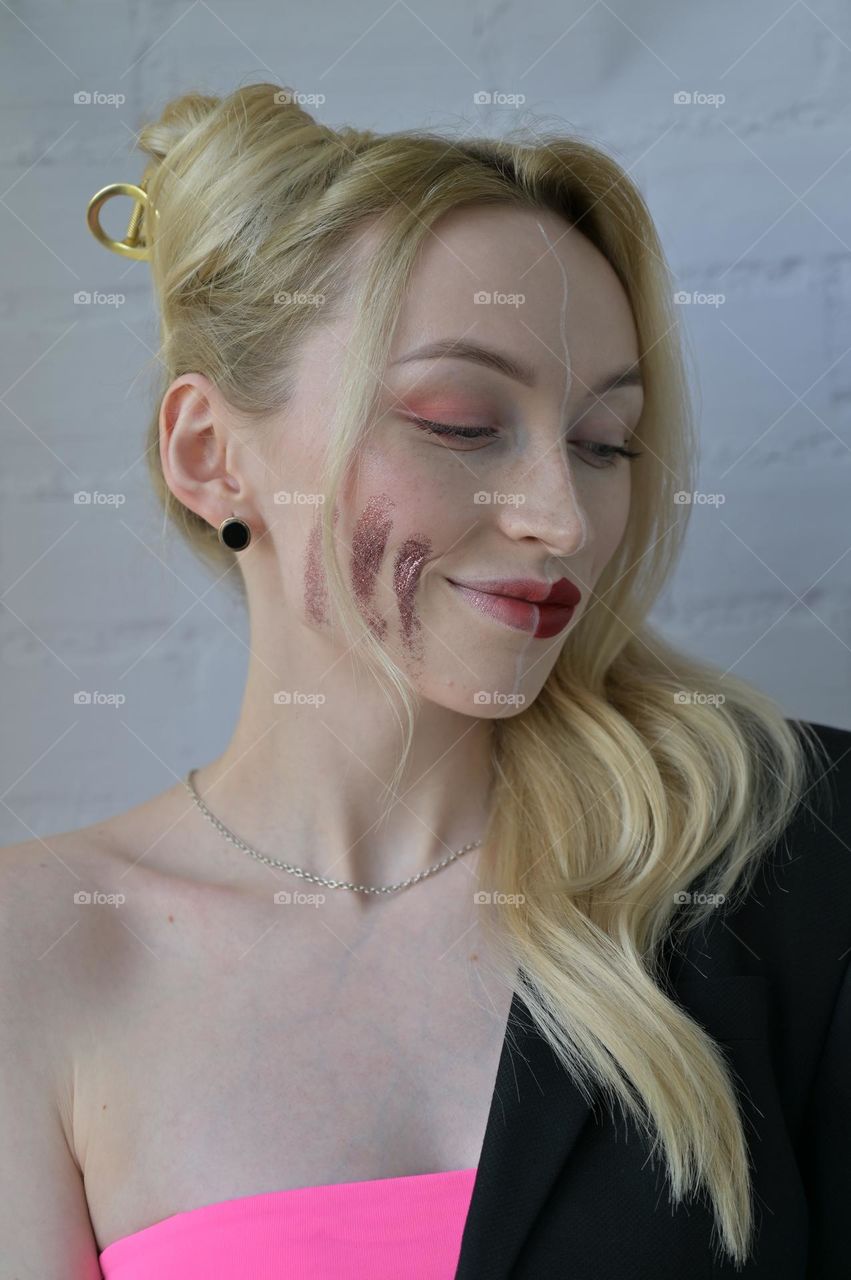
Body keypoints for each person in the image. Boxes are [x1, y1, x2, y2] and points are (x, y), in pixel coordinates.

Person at [1, 81, 848, 1280]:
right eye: (459, 421)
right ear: (211, 457)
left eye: (605, 442)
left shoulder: (787, 858)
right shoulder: (33, 949)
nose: (562, 518)